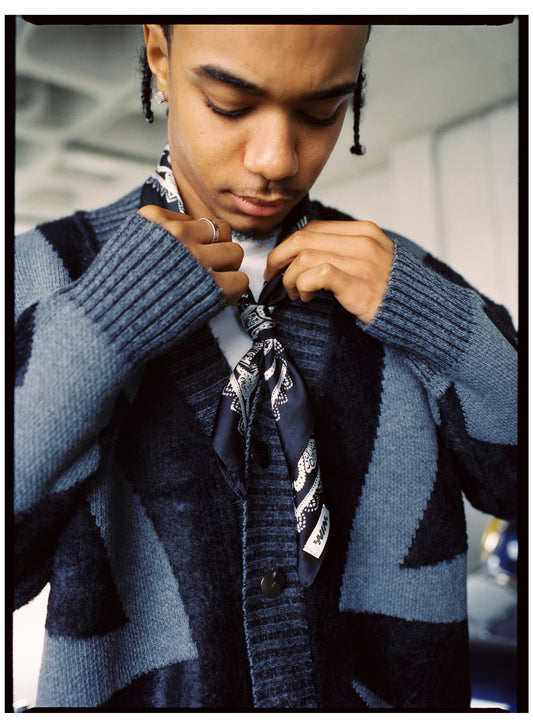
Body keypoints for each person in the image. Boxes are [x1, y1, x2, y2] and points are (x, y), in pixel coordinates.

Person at [14, 24, 517, 710]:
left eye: (322, 111)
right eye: (230, 104)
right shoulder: (41, 274)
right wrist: (102, 328)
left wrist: (436, 321)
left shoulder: (408, 283)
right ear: (159, 57)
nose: (276, 160)